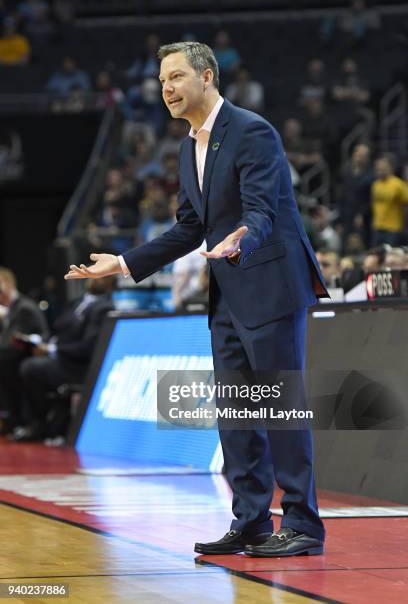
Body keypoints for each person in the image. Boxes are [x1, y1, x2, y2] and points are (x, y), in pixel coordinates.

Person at [65, 41, 328, 557]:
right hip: (227, 295)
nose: (166, 88)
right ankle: (251, 521)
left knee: (278, 409)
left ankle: (303, 525)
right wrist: (122, 263)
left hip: (271, 287)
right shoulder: (189, 147)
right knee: (236, 414)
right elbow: (190, 228)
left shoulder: (252, 131)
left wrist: (242, 237)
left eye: (177, 77)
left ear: (207, 77)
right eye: (162, 80)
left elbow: (263, 211)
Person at [14, 277, 115, 441]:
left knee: (29, 368)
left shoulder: (104, 308)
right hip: (58, 356)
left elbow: (87, 347)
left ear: (110, 284)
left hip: (75, 366)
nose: (96, 279)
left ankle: (40, 423)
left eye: (101, 277)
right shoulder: (76, 302)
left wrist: (52, 349)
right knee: (15, 359)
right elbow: (56, 328)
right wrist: (40, 341)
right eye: (93, 275)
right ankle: (25, 421)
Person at [0, 267, 48, 432]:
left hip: (27, 356)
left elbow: (14, 344)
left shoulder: (23, 307)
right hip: (14, 357)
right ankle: (11, 419)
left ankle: (18, 420)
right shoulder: (10, 309)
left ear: (6, 284)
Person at [371, 156, 408, 247]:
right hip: (377, 226)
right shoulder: (376, 185)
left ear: (390, 168)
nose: (380, 168)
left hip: (393, 228)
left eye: (383, 166)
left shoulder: (398, 184)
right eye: (378, 167)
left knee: (390, 256)